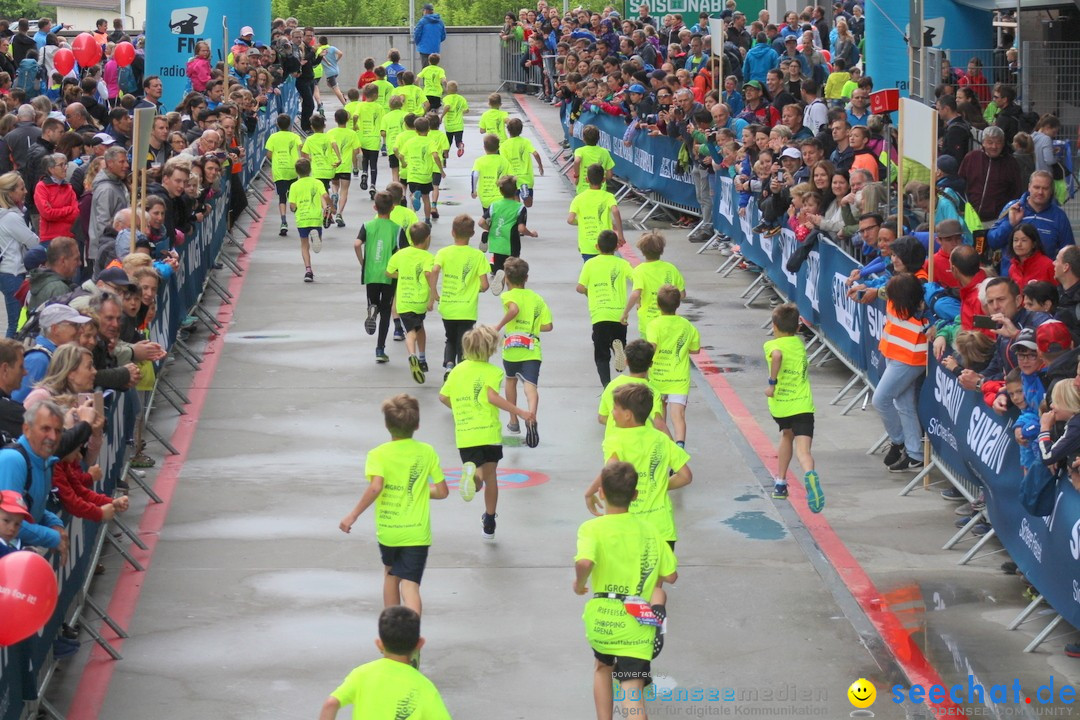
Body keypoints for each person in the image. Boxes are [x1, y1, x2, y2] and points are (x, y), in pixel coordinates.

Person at [574, 459, 678, 720]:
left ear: (602, 492)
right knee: (632, 689)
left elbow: (585, 561)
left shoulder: (591, 528)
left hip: (603, 620)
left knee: (601, 668)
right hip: (636, 621)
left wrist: (579, 584)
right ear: (634, 495)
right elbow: (671, 575)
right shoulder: (650, 531)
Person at [337, 394, 448, 615]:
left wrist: (353, 515)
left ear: (387, 426)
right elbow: (443, 491)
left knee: (390, 574)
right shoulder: (427, 452)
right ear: (417, 425)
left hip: (389, 531)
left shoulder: (377, 454)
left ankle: (391, 633)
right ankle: (412, 638)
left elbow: (376, 487)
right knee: (410, 585)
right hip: (417, 533)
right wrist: (418, 491)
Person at [438, 324, 533, 540]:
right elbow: (491, 396)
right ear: (490, 349)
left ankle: (473, 476)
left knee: (478, 472)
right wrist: (519, 411)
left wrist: (460, 409)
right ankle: (489, 522)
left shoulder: (457, 371)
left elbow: (443, 397)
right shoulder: (494, 372)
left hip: (466, 433)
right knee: (492, 478)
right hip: (489, 433)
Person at [317, 606, 450, 719]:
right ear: (419, 644)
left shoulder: (362, 674)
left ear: (379, 644)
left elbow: (331, 704)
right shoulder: (424, 687)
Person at [765, 303, 824, 511]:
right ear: (798, 328)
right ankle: (809, 474)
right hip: (804, 406)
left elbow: (778, 356)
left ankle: (780, 483)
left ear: (774, 326)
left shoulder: (771, 346)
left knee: (786, 435)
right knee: (804, 451)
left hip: (782, 407)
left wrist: (772, 384)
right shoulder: (799, 345)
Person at [493, 258, 552, 447]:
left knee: (510, 381)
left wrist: (499, 325)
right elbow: (548, 326)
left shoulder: (507, 296)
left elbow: (514, 309)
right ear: (526, 278)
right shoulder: (537, 299)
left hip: (512, 346)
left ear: (507, 281)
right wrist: (533, 328)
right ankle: (532, 417)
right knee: (530, 386)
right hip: (531, 347)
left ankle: (513, 421)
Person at [876, 273, 931, 473]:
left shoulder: (925, 310)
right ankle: (915, 454)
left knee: (880, 400)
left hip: (910, 359)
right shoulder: (895, 298)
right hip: (893, 354)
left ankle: (899, 441)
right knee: (905, 405)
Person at [0, 401, 67, 561]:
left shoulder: (44, 460)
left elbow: (31, 507)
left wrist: (55, 523)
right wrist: (54, 537)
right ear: (27, 430)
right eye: (45, 429)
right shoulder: (13, 460)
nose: (53, 437)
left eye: (58, 431)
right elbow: (8, 522)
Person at [431, 215, 490, 379]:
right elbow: (485, 286)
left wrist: (434, 292)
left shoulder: (443, 253)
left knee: (450, 338)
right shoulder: (478, 256)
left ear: (452, 232)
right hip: (467, 309)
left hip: (448, 306)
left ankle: (449, 366)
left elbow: (434, 271)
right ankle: (461, 373)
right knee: (464, 343)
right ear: (472, 234)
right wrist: (474, 289)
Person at [643, 285, 700, 448]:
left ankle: (666, 448)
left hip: (658, 378)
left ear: (658, 304)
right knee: (679, 416)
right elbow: (695, 350)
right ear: (678, 304)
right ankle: (680, 446)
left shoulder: (654, 325)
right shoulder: (687, 325)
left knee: (659, 416)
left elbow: (651, 347)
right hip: (679, 379)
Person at [987, 170, 1074, 276]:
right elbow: (993, 241)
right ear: (1029, 187)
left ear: (1051, 190)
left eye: (1045, 188)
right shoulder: (1014, 208)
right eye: (1036, 187)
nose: (1040, 192)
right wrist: (1010, 225)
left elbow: (1069, 253)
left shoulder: (1059, 216)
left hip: (1043, 282)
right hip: (1012, 281)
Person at [577, 229, 633, 387]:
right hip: (619, 313)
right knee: (619, 340)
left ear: (596, 246)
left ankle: (606, 384)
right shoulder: (622, 264)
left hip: (599, 313)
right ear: (616, 247)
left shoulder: (590, 264)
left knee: (600, 350)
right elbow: (636, 278)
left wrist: (590, 292)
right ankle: (619, 350)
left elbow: (580, 287)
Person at [384, 222, 435, 383]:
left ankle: (413, 356)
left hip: (404, 302)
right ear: (428, 239)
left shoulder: (400, 254)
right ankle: (421, 357)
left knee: (411, 331)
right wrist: (433, 297)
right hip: (420, 301)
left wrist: (403, 275)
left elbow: (388, 272)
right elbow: (428, 275)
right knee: (418, 329)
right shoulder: (428, 257)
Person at [355, 192, 400, 363]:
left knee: (373, 302)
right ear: (393, 208)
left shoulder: (367, 226)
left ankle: (372, 309)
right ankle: (380, 349)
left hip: (371, 273)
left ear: (375, 207)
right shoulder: (397, 229)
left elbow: (357, 244)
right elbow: (402, 253)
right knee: (387, 310)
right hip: (389, 275)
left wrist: (363, 262)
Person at [596, 339, 668, 440]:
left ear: (626, 362)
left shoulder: (612, 385)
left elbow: (602, 418)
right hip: (641, 445)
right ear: (651, 364)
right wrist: (674, 449)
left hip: (614, 444)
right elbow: (658, 423)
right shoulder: (651, 391)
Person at [622, 232, 685, 336]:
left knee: (649, 350)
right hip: (669, 321)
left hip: (648, 321)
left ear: (642, 251)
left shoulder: (639, 270)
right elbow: (682, 294)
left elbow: (636, 293)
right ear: (661, 250)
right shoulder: (671, 268)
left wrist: (626, 312)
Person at [287, 157, 329, 283]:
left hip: (302, 218)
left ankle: (308, 270)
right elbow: (324, 196)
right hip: (316, 216)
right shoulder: (318, 183)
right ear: (310, 169)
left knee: (304, 246)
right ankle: (315, 237)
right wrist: (327, 208)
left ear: (296, 171)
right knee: (318, 241)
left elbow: (292, 205)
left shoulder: (294, 185)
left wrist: (294, 209)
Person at [568, 164, 622, 260]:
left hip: (587, 245)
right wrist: (620, 235)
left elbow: (570, 220)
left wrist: (579, 222)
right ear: (603, 180)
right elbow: (615, 211)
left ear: (587, 179)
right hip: (606, 243)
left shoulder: (578, 198)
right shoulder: (608, 196)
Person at [264, 113, 302, 237]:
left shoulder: (273, 137)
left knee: (281, 197)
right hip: (293, 169)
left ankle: (284, 221)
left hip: (279, 170)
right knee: (293, 194)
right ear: (290, 124)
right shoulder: (295, 136)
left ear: (277, 124)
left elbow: (268, 154)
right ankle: (296, 213)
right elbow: (301, 147)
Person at [470, 134, 510, 246]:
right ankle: (495, 237)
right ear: (498, 147)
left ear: (484, 147)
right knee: (501, 221)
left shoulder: (479, 161)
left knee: (489, 218)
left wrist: (473, 191)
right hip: (500, 197)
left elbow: (474, 175)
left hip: (485, 198)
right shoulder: (504, 161)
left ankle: (490, 232)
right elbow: (510, 177)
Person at [500, 118, 543, 208]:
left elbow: (503, 162)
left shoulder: (504, 145)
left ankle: (519, 216)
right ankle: (525, 193)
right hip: (526, 177)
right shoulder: (526, 142)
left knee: (516, 203)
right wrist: (540, 166)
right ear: (521, 130)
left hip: (512, 178)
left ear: (508, 130)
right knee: (529, 204)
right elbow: (535, 153)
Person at [329, 108, 359, 228]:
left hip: (334, 164)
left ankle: (334, 194)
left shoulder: (330, 133)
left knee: (335, 184)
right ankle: (339, 214)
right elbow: (356, 151)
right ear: (347, 120)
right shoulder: (352, 133)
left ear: (335, 119)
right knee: (345, 190)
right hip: (345, 166)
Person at [572, 124, 614, 193]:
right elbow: (609, 174)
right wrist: (603, 180)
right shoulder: (604, 152)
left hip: (583, 189)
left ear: (584, 139)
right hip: (600, 190)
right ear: (598, 138)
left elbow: (577, 161)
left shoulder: (580, 151)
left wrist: (577, 176)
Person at [440, 80, 468, 158]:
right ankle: (460, 146)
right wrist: (460, 112)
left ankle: (445, 156)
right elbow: (467, 110)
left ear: (447, 89)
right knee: (458, 141)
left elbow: (447, 107)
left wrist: (441, 116)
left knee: (448, 142)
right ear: (457, 89)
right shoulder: (461, 99)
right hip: (459, 125)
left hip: (449, 125)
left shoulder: (446, 98)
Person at [413, 3, 446, 68]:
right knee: (435, 69)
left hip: (424, 50)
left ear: (425, 11)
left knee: (425, 69)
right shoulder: (440, 22)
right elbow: (443, 36)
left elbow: (417, 35)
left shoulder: (422, 21)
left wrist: (419, 43)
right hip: (435, 50)